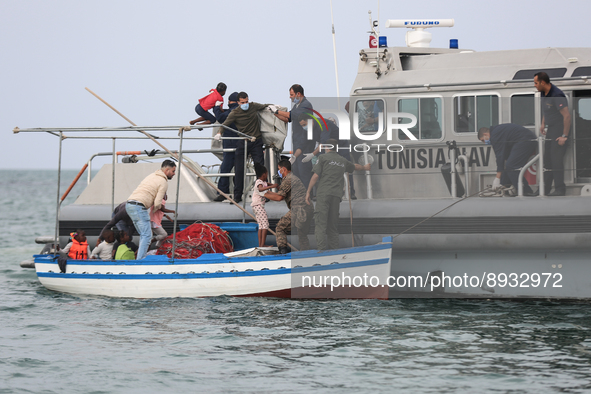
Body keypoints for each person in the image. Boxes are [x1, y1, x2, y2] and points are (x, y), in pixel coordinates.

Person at [306, 140, 371, 250]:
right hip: (336, 196)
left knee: (321, 223)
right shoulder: (342, 160)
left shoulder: (322, 158)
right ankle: (334, 250)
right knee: (333, 225)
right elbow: (354, 166)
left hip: (324, 194)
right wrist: (365, 167)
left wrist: (308, 192)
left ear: (327, 147)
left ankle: (321, 251)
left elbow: (316, 176)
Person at [222, 92, 271, 203]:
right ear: (238, 102)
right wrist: (219, 134)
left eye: (246, 102)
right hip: (243, 142)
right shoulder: (234, 113)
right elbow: (225, 124)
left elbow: (264, 106)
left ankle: (265, 194)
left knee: (260, 167)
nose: (245, 104)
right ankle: (237, 196)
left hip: (256, 141)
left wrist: (274, 107)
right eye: (243, 102)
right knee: (239, 169)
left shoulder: (253, 106)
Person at [126, 160, 176, 260]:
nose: (174, 174)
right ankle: (140, 261)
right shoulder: (163, 181)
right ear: (167, 170)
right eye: (173, 171)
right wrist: (155, 211)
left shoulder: (152, 176)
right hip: (139, 207)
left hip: (129, 205)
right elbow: (158, 203)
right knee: (147, 236)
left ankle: (139, 258)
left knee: (144, 235)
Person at [299, 113, 356, 199]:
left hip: (340, 146)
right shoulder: (308, 128)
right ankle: (322, 193)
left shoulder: (324, 124)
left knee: (346, 167)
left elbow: (324, 142)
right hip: (326, 147)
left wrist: (313, 154)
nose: (304, 127)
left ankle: (350, 192)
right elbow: (304, 143)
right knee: (320, 169)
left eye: (304, 125)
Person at [265, 159, 314, 254]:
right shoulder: (293, 178)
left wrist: (263, 195)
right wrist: (270, 190)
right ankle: (306, 253)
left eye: (279, 169)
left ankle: (283, 251)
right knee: (302, 233)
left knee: (280, 227)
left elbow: (279, 197)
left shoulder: (288, 179)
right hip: (308, 208)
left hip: (299, 209)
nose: (278, 172)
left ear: (283, 169)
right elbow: (282, 193)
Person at [534, 72, 571, 196]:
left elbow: (566, 116)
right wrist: (543, 123)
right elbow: (547, 110)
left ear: (542, 83)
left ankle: (560, 189)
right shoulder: (544, 94)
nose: (535, 86)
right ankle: (545, 189)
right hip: (550, 129)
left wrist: (564, 136)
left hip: (559, 129)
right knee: (547, 160)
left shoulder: (557, 94)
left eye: (535, 83)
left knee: (556, 160)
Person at [273, 84, 315, 188]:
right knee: (297, 170)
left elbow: (289, 115)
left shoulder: (306, 105)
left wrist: (277, 111)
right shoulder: (297, 106)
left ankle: (307, 195)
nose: (290, 97)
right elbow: (288, 119)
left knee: (304, 171)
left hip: (304, 145)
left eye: (291, 95)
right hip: (297, 144)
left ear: (298, 94)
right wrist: (274, 113)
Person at [477, 124, 537, 196]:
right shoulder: (497, 131)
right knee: (508, 166)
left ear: (485, 134)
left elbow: (499, 157)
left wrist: (497, 178)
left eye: (483, 140)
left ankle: (526, 191)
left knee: (511, 166)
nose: (484, 143)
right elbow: (504, 156)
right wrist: (501, 181)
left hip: (525, 140)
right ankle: (503, 187)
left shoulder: (495, 136)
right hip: (523, 139)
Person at [212, 91, 239, 201]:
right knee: (239, 169)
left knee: (225, 168)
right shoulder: (240, 110)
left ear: (229, 101)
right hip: (240, 144)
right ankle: (238, 193)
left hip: (230, 144)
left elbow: (220, 117)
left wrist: (216, 108)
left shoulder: (232, 111)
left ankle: (223, 192)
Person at [251, 163, 278, 247]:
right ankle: (263, 244)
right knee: (265, 225)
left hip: (255, 206)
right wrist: (273, 186)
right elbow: (261, 188)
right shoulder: (259, 182)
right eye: (267, 174)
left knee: (261, 225)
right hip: (259, 205)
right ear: (264, 174)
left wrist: (274, 186)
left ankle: (261, 244)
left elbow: (267, 184)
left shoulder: (263, 182)